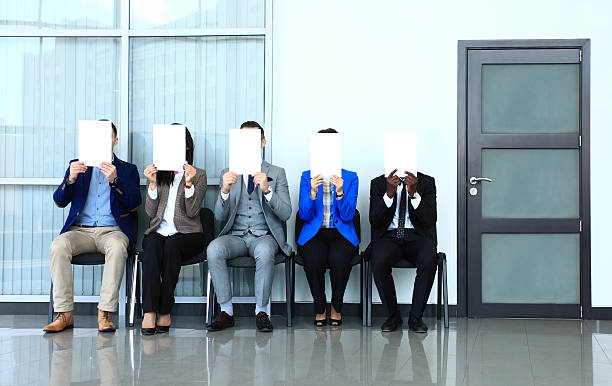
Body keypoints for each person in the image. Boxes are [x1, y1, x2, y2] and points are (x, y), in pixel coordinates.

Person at [44, 120, 141, 333]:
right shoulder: (78, 165)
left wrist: (115, 181)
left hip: (112, 230)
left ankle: (105, 313)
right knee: (58, 245)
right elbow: (59, 201)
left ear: (114, 141)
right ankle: (64, 313)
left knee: (117, 248)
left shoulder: (127, 170)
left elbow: (134, 205)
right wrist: (70, 178)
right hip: (81, 231)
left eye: (106, 138)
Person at [207, 121, 292, 332]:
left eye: (253, 140)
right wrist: (225, 190)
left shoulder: (277, 172)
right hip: (236, 236)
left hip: (264, 236)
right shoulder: (228, 171)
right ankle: (226, 311)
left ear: (262, 143)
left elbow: (286, 213)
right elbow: (219, 215)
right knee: (214, 248)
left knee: (264, 250)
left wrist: (268, 191)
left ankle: (262, 312)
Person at [141, 125, 207, 335]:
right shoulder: (159, 172)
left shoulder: (199, 175)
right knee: (151, 244)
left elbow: (192, 210)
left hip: (189, 233)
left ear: (187, 146)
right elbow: (151, 213)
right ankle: (150, 311)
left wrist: (189, 184)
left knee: (172, 245)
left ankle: (165, 310)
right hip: (160, 230)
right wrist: (151, 184)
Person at [297, 128, 359, 327]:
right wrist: (313, 192)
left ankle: (337, 307)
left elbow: (349, 216)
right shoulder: (307, 177)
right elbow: (304, 215)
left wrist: (340, 192)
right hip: (315, 233)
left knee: (339, 259)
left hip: (341, 233)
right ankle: (320, 306)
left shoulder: (350, 177)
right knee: (313, 260)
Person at [368, 169, 437, 332]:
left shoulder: (426, 182)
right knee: (378, 260)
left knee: (429, 258)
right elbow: (374, 221)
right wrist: (389, 195)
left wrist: (413, 194)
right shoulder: (378, 183)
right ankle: (392, 316)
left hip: (417, 236)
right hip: (389, 236)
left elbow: (430, 219)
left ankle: (416, 318)